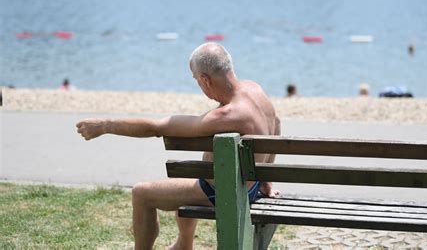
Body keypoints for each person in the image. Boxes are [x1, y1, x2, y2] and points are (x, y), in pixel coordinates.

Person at [76, 43, 281, 250]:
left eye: (196, 81)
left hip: (224, 193)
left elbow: (157, 128)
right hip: (252, 187)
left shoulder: (227, 115)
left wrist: (105, 125)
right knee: (188, 181)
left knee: (141, 193)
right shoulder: (255, 90)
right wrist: (265, 179)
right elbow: (277, 123)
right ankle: (183, 245)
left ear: (205, 79)